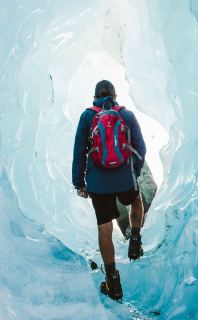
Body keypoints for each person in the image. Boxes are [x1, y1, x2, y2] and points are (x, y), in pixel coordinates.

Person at [72, 80, 146, 301]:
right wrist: (135, 171)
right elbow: (141, 147)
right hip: (125, 178)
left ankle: (113, 282)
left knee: (105, 229)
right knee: (136, 200)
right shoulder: (126, 115)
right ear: (115, 95)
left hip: (98, 185)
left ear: (94, 96)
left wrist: (79, 183)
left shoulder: (87, 116)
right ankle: (135, 239)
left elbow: (79, 152)